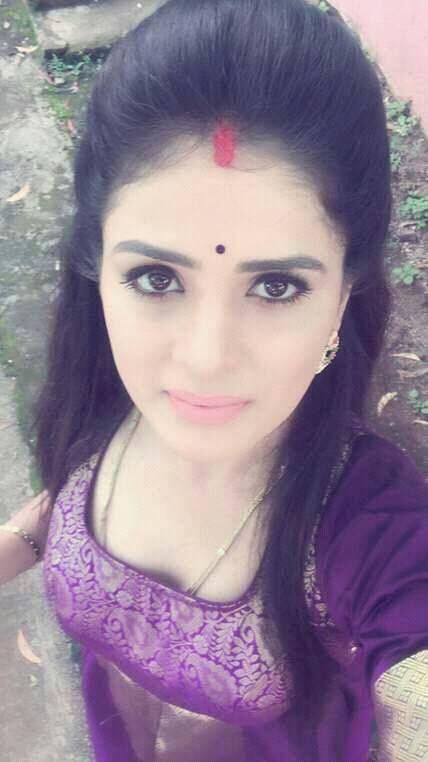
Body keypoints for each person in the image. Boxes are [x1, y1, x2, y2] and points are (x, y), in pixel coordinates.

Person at [1, 0, 427, 758]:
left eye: (276, 287)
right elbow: (68, 496)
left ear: (344, 294)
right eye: (156, 278)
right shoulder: (106, 396)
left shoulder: (372, 528)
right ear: (97, 270)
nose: (204, 359)